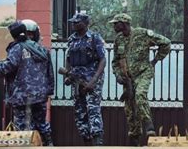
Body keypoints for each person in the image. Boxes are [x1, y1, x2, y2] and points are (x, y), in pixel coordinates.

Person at [109, 13, 171, 146]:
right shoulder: (118, 40)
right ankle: (134, 139)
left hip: (143, 72)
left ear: (124, 23)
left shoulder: (143, 34)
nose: (114, 26)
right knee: (130, 110)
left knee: (140, 95)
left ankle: (149, 126)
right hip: (128, 79)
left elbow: (166, 43)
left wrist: (155, 60)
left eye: (116, 23)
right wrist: (118, 75)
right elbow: (115, 61)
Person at [0, 20, 54, 146]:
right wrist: (49, 91)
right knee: (42, 125)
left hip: (22, 96)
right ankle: (49, 146)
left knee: (23, 128)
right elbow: (50, 72)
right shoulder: (41, 48)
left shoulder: (17, 48)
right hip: (40, 96)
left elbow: (7, 67)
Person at [65, 13, 106, 146]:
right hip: (77, 80)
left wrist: (93, 81)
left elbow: (102, 60)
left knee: (93, 110)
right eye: (73, 22)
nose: (74, 24)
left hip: (91, 80)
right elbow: (69, 59)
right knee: (80, 112)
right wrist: (68, 75)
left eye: (77, 22)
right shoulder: (72, 39)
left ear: (85, 23)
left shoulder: (94, 38)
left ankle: (97, 143)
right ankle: (87, 143)